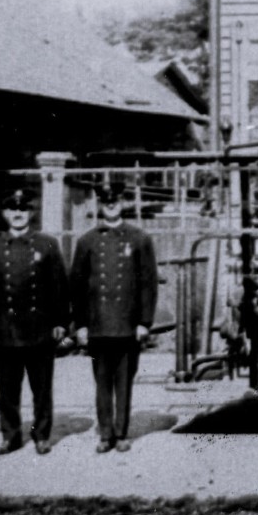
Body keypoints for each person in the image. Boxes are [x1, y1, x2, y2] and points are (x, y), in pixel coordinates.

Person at [0, 188, 68, 454]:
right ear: (5, 214)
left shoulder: (47, 244)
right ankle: (11, 436)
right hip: (6, 330)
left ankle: (41, 435)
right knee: (7, 390)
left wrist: (61, 321)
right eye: (13, 210)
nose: (18, 215)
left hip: (39, 329)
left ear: (31, 213)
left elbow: (59, 287)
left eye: (23, 210)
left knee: (41, 389)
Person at [70, 184, 160, 453]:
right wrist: (81, 324)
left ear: (123, 202)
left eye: (116, 200)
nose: (111, 204)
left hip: (127, 325)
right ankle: (105, 433)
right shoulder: (87, 241)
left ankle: (121, 433)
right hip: (98, 326)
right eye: (106, 200)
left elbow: (148, 283)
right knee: (102, 382)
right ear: (99, 205)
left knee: (124, 382)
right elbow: (77, 286)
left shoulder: (139, 239)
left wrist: (145, 322)